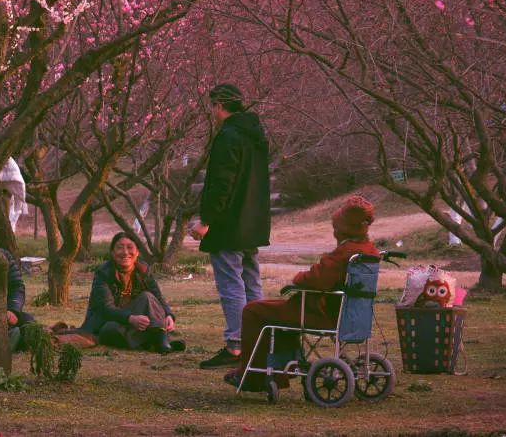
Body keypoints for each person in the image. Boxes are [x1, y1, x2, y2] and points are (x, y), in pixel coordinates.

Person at [223, 195, 380, 391]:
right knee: (275, 312)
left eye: (335, 227)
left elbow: (316, 279)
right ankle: (278, 374)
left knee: (253, 311)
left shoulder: (345, 252)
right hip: (349, 315)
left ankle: (253, 377)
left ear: (342, 228)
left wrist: (298, 277)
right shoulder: (369, 250)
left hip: (322, 314)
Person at [190, 83, 271, 369]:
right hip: (251, 225)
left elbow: (221, 183)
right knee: (252, 284)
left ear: (219, 105)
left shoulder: (228, 137)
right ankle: (259, 342)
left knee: (231, 286)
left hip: (229, 225)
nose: (212, 113)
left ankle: (236, 345)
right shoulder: (255, 136)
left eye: (213, 106)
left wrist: (206, 221)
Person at [79, 231, 183, 353]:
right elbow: (106, 309)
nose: (125, 252)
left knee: (148, 297)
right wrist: (130, 318)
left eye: (130, 247)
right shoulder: (103, 273)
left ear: (137, 252)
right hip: (108, 321)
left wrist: (169, 315)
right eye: (119, 248)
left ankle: (159, 341)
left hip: (133, 319)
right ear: (112, 252)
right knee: (111, 330)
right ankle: (156, 341)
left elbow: (157, 297)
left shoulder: (143, 270)